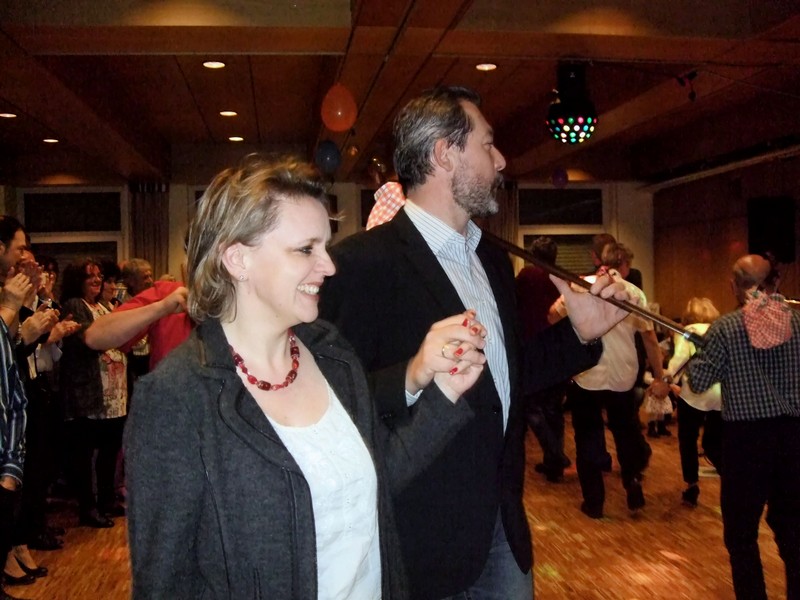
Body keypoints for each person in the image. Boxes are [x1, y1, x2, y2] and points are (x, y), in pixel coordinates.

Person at [125, 154, 488, 599]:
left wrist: (444, 391)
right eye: (305, 249)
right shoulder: (177, 398)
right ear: (237, 259)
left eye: (325, 247)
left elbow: (377, 477)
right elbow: (164, 582)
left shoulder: (333, 355)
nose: (329, 266)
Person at [320, 86, 633, 599]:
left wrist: (579, 333)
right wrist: (413, 375)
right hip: (419, 547)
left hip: (503, 528)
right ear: (444, 153)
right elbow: (335, 401)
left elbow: (503, 379)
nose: (501, 159)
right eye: (487, 145)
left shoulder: (490, 259)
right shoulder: (361, 265)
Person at [686, 254, 800, 600]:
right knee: (793, 530)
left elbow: (699, 381)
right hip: (794, 437)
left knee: (741, 534)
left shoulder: (725, 329)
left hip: (747, 442)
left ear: (733, 286)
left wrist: (698, 351)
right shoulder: (798, 323)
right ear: (774, 282)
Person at [554, 242, 668, 519]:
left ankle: (594, 502)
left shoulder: (581, 285)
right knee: (626, 431)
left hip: (587, 374)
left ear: (600, 260)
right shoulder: (633, 293)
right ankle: (632, 480)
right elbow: (650, 339)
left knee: (588, 435)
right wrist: (660, 375)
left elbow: (553, 314)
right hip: (623, 374)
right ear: (625, 265)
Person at [59, 259, 128, 528]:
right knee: (86, 454)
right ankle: (88, 507)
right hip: (88, 394)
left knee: (110, 450)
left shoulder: (103, 306)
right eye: (90, 277)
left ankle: (107, 500)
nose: (97, 280)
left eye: (99, 275)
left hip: (113, 393)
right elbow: (90, 339)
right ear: (78, 281)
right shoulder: (75, 305)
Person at [515, 236, 570, 482]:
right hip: (559, 350)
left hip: (534, 348)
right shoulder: (562, 279)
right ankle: (553, 463)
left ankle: (555, 454)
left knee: (530, 406)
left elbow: (513, 306)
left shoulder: (526, 276)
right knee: (554, 408)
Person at [666, 297, 722, 507]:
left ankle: (692, 485)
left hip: (693, 394)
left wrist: (667, 379)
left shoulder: (686, 332)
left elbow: (679, 361)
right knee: (715, 441)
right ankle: (730, 477)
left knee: (688, 440)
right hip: (721, 394)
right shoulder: (721, 331)